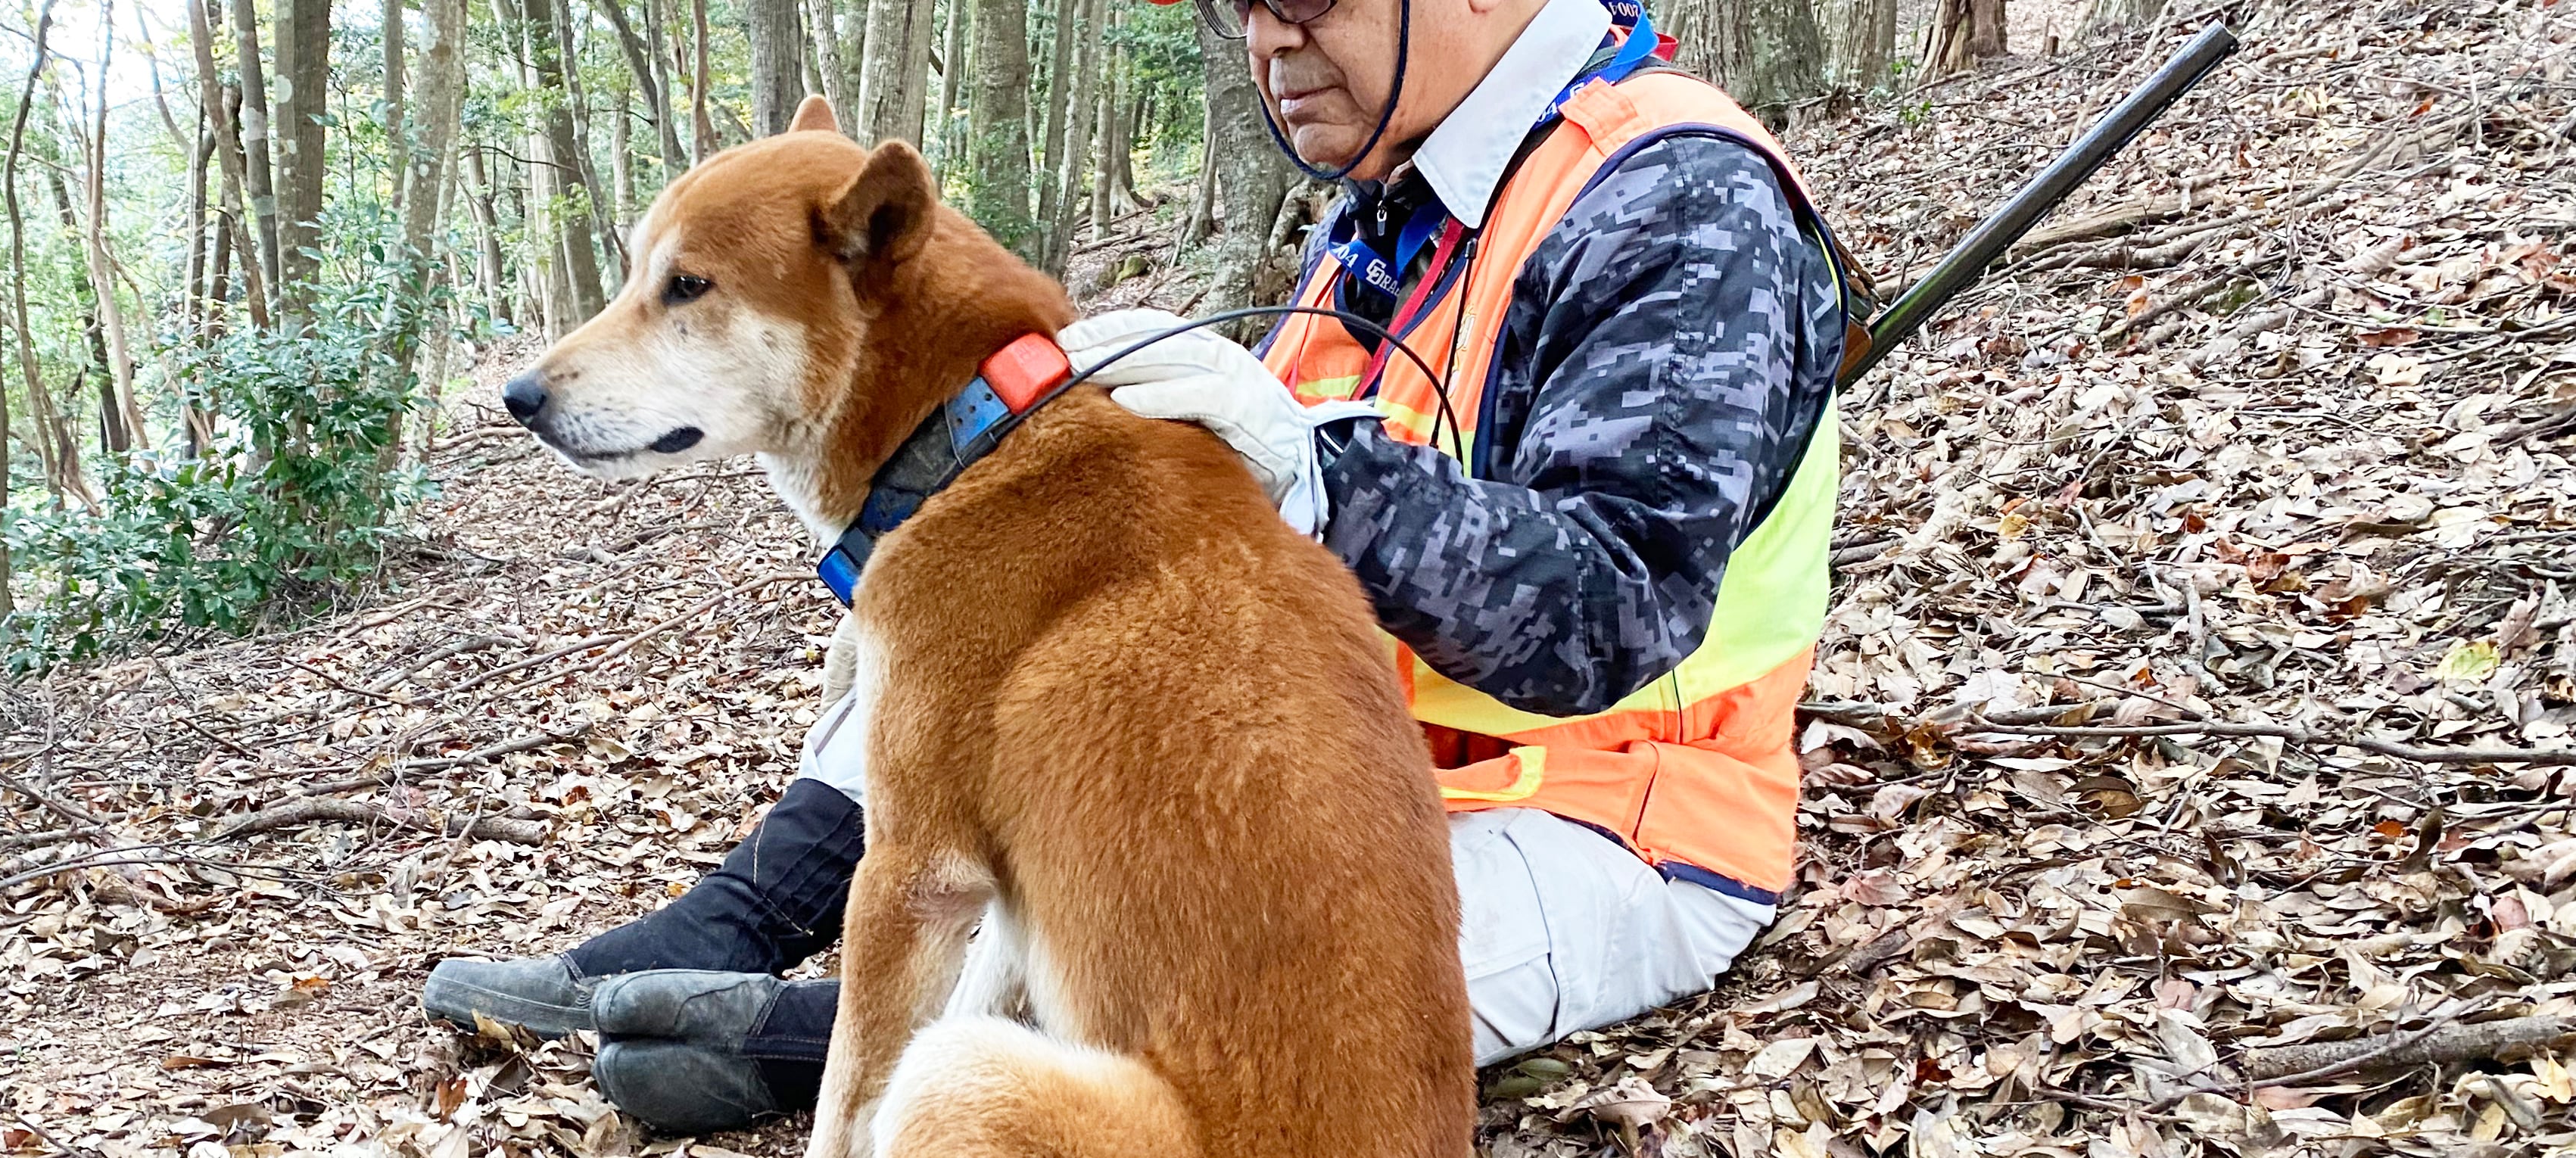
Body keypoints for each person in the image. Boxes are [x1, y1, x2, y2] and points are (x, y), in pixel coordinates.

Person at [425, 0, 1856, 1135]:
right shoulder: (1396, 199)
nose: (1267, 42)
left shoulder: (1675, 198)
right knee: (972, 638)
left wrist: (1316, 470)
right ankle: (741, 932)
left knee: (1142, 1018)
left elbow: (1617, 606)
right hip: (1335, 778)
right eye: (1243, 7)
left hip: (1620, 822)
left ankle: (790, 1039)